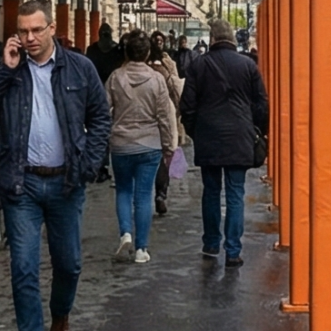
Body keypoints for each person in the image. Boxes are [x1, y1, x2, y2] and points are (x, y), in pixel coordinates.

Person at [0, 0, 111, 331]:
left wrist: (88, 164)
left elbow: (100, 116)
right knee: (24, 268)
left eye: (36, 30)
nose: (29, 38)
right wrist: (3, 69)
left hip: (66, 182)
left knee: (69, 264)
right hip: (22, 183)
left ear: (52, 29)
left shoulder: (79, 68)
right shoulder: (9, 70)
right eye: (23, 31)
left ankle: (61, 313)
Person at [178, 18, 269, 269]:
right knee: (236, 193)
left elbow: (187, 105)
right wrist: (258, 130)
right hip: (239, 136)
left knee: (211, 191)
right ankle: (233, 250)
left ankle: (210, 243)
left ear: (213, 38)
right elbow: (261, 103)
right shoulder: (248, 65)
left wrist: (195, 131)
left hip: (208, 134)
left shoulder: (199, 65)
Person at [105, 32, 180, 264]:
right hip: (149, 145)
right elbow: (164, 117)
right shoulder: (156, 80)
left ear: (126, 52)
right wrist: (169, 146)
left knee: (124, 191)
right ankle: (141, 249)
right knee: (144, 194)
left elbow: (102, 110)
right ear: (148, 52)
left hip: (120, 144)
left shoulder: (115, 78)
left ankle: (125, 233)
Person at [149, 38, 185, 217]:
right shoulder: (166, 68)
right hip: (165, 113)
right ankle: (161, 193)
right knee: (165, 154)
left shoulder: (126, 70)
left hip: (141, 120)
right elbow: (175, 87)